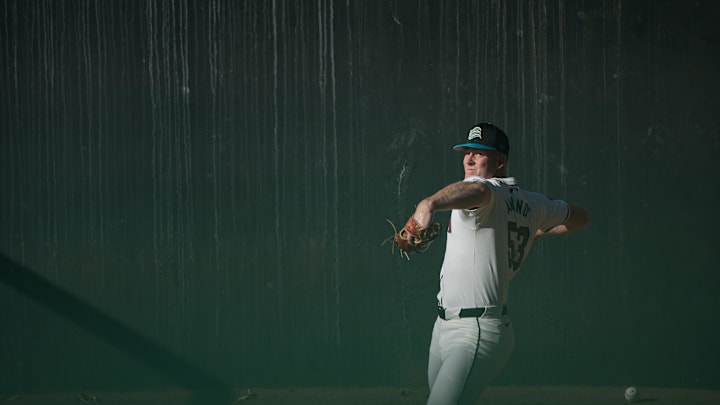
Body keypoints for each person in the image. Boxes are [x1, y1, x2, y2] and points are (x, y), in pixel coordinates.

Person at [409, 123, 590, 404]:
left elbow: (479, 191)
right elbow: (579, 218)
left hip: (475, 331)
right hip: (444, 328)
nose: (469, 158)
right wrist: (535, 230)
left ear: (500, 161)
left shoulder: (481, 189)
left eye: (479, 153)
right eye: (467, 151)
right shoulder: (533, 202)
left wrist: (429, 203)